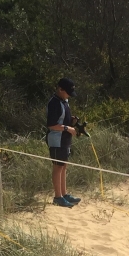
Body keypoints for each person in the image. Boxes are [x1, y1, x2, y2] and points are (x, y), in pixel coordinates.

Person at [47, 77, 81, 208]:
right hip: (57, 139)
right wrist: (68, 128)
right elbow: (51, 124)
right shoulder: (54, 103)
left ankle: (64, 194)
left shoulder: (64, 101)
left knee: (63, 165)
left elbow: (62, 118)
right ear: (60, 89)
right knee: (58, 166)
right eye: (67, 92)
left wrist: (71, 120)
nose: (69, 95)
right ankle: (58, 197)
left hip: (65, 139)